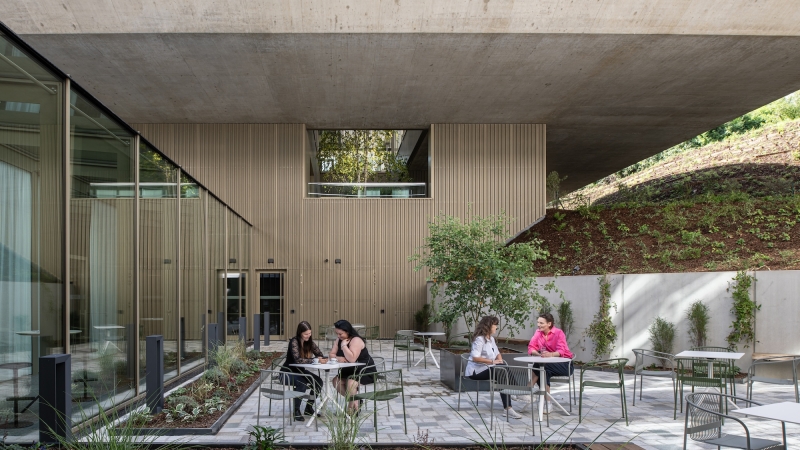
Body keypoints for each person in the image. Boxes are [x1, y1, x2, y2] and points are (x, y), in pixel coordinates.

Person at [465, 315, 523, 419]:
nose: (496, 327)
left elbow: (497, 353)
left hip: (489, 368)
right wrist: (493, 361)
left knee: (501, 371)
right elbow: (475, 358)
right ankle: (516, 393)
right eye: (495, 325)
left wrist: (499, 360)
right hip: (476, 371)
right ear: (488, 326)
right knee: (500, 370)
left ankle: (508, 407)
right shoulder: (479, 340)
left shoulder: (491, 339)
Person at [527, 312, 574, 412]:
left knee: (541, 367)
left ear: (549, 324)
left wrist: (551, 354)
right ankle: (548, 403)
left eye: (541, 323)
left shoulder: (558, 333)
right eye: (538, 322)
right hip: (547, 365)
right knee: (543, 370)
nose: (538, 325)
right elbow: (531, 348)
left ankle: (526, 391)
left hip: (565, 365)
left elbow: (562, 351)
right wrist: (538, 354)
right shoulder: (538, 333)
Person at [281, 321, 326, 421]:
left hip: (301, 372)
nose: (308, 336)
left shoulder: (309, 342)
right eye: (306, 334)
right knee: (302, 383)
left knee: (318, 382)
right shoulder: (294, 341)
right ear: (300, 333)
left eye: (310, 333)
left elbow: (319, 354)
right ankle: (296, 410)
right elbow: (298, 360)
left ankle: (308, 408)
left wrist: (321, 358)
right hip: (287, 372)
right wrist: (315, 360)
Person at [329, 319, 376, 414]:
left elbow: (352, 359)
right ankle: (356, 400)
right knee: (335, 381)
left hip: (363, 370)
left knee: (350, 383)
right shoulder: (339, 339)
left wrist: (344, 346)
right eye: (337, 334)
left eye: (340, 334)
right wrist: (339, 358)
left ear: (347, 331)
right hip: (348, 370)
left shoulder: (356, 340)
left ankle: (351, 410)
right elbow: (331, 355)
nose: (338, 336)